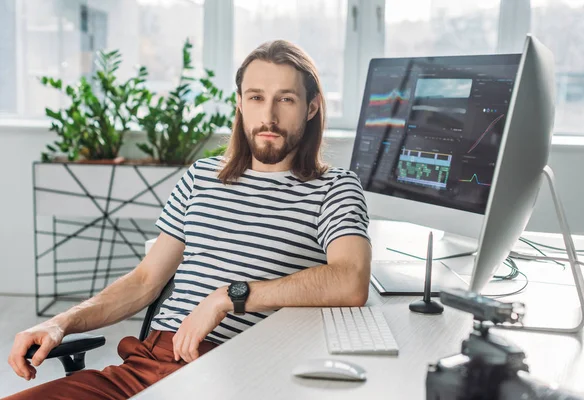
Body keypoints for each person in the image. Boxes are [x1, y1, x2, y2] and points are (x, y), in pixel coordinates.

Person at [5, 40, 371, 399]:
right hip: (141, 367)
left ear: (311, 107)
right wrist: (60, 323)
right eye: (256, 97)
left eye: (286, 99)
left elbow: (350, 279)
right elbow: (145, 280)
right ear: (240, 104)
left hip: (231, 371)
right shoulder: (202, 177)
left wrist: (229, 296)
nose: (269, 116)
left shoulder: (334, 188)